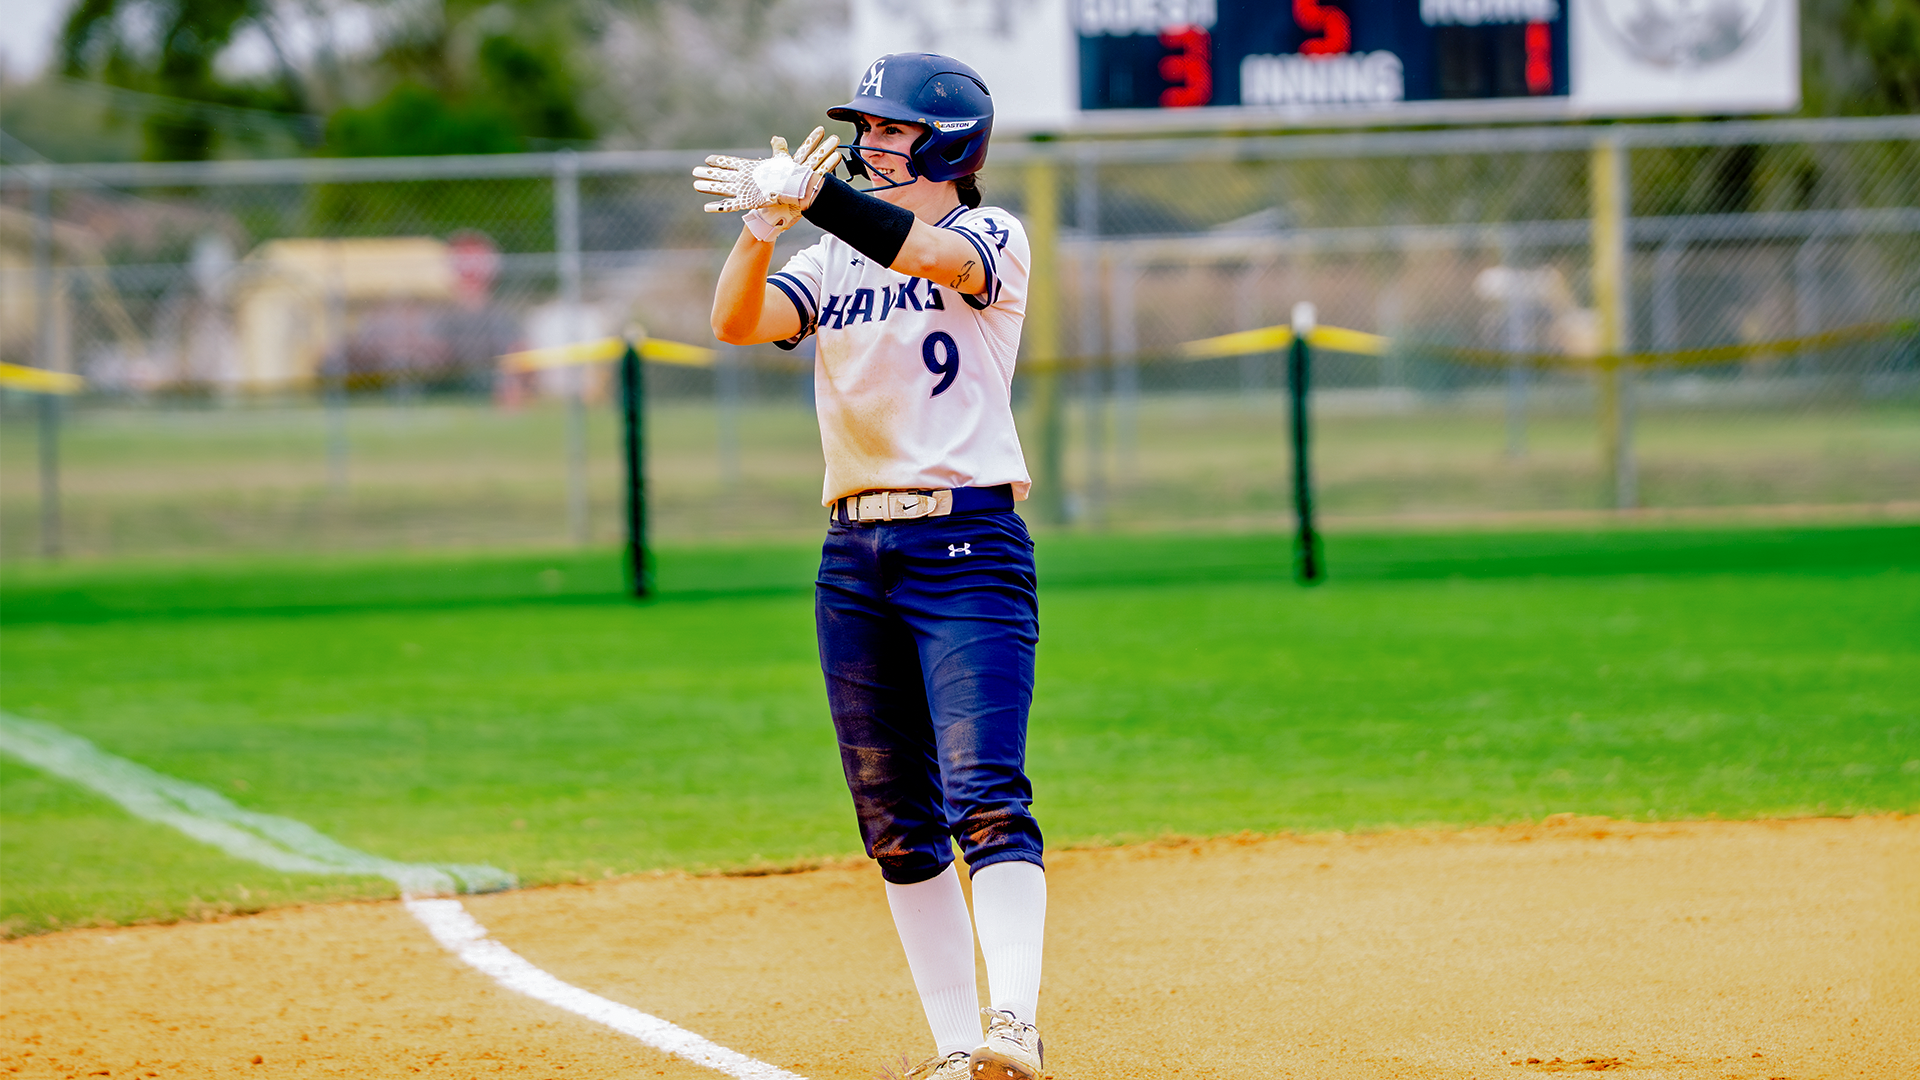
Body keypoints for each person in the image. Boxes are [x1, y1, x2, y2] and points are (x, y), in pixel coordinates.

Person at [693, 52, 1047, 1080]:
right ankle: (953, 1050)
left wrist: (821, 200)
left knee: (986, 793)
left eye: (892, 130)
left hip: (967, 543)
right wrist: (766, 230)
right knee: (896, 819)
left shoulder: (991, 236)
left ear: (947, 144)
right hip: (854, 554)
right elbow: (735, 322)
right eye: (868, 127)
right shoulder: (833, 255)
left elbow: (925, 253)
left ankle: (1012, 1024)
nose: (870, 141)